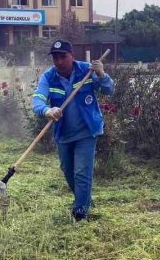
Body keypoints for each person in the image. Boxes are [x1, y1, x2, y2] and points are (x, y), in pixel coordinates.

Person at [31, 40, 114, 221]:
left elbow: (109, 90)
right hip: (63, 133)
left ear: (72, 56)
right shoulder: (48, 77)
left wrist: (102, 74)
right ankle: (85, 200)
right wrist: (47, 110)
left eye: (63, 57)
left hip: (87, 131)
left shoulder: (87, 71)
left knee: (81, 173)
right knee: (68, 171)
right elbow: (37, 99)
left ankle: (79, 213)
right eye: (55, 58)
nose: (59, 61)